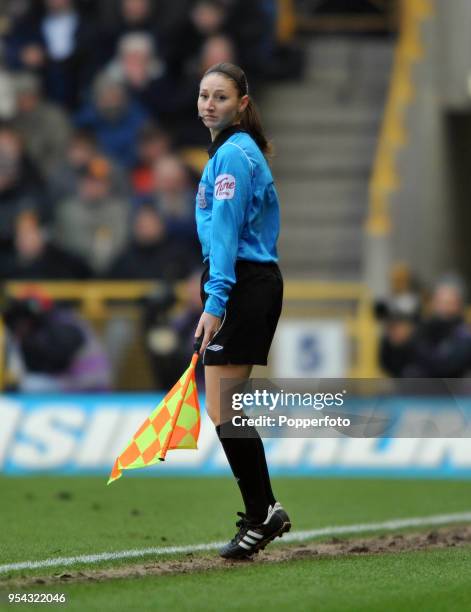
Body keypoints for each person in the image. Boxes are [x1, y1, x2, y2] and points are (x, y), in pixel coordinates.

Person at [194, 62, 291, 559]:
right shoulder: (231, 152)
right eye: (204, 95)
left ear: (242, 104)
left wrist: (215, 301)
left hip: (243, 285)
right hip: (242, 283)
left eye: (221, 97)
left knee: (222, 405)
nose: (209, 104)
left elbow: (227, 233)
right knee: (222, 405)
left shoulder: (232, 156)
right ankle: (263, 510)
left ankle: (262, 513)